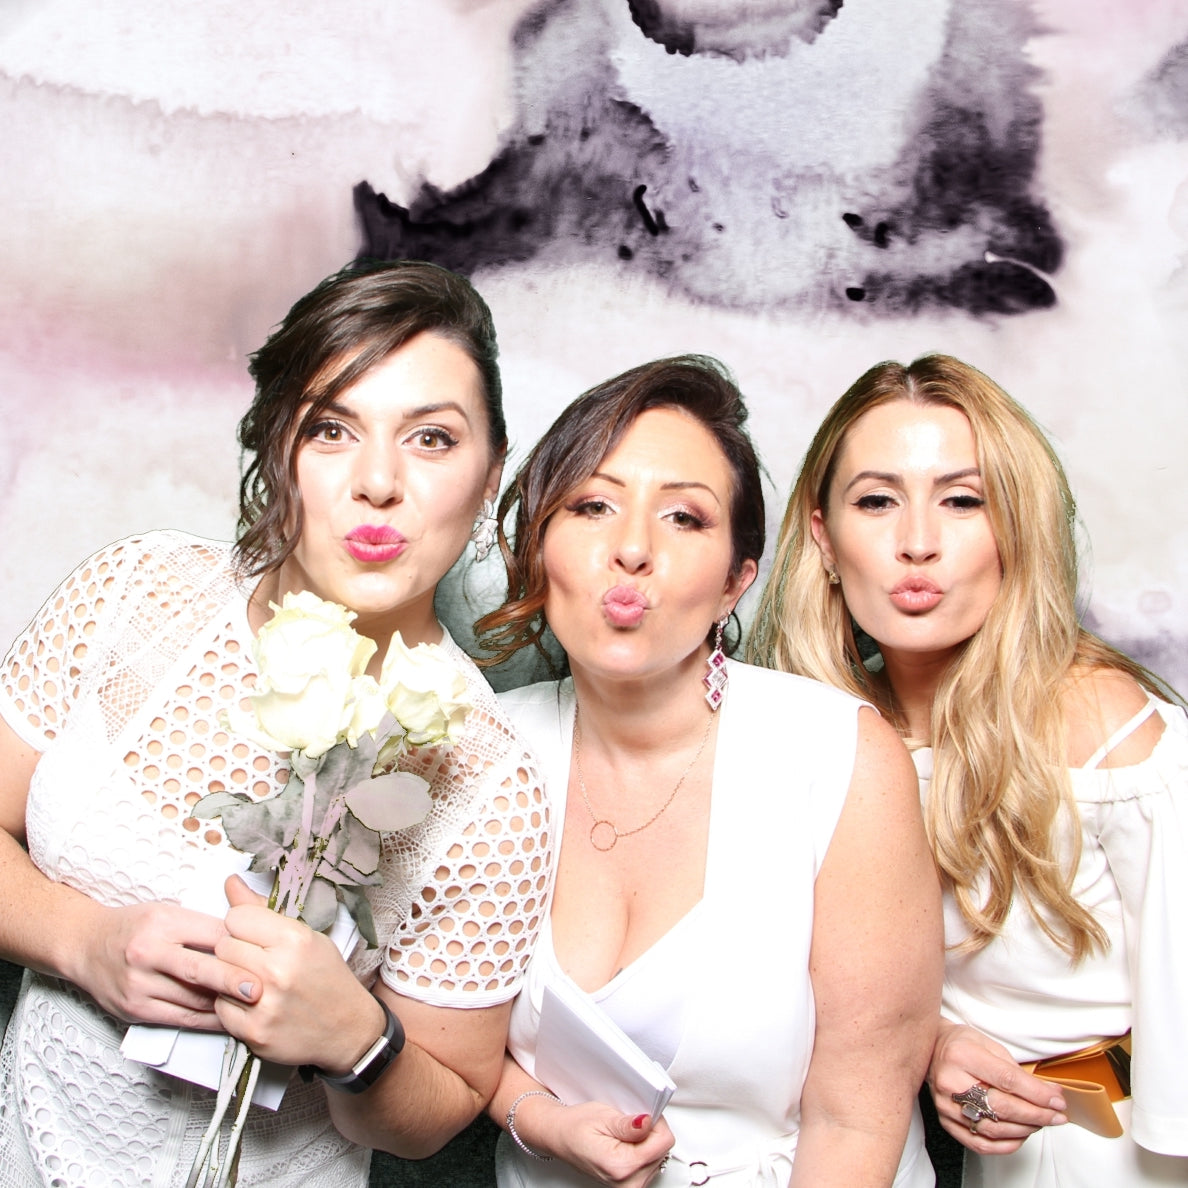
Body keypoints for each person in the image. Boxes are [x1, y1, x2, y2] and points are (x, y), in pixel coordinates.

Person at [0, 259, 552, 1186]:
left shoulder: (489, 783)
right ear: (276, 446)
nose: (378, 483)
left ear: (489, 469)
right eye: (333, 428)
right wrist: (81, 943)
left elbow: (445, 1103)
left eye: (431, 438)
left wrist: (358, 1041)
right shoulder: (133, 594)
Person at [475, 356, 942, 1187]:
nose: (632, 550)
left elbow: (860, 1114)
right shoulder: (484, 750)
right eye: (592, 506)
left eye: (684, 518)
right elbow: (447, 1040)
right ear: (539, 544)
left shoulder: (837, 755)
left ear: (736, 581)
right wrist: (539, 1120)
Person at [748, 353, 1188, 1187]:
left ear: (1015, 530)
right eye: (877, 501)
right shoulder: (811, 739)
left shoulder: (1101, 725)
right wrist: (940, 1044)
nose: (918, 543)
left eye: (962, 500)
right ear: (822, 537)